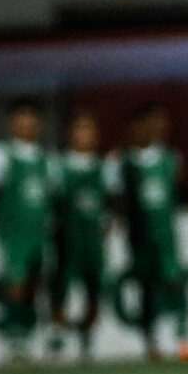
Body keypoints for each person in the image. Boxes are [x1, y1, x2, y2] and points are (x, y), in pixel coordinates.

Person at [109, 103, 188, 363]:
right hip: (138, 236)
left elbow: (182, 195)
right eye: (148, 124)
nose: (153, 130)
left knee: (174, 283)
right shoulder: (120, 162)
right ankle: (151, 343)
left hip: (166, 235)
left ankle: (183, 339)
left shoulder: (171, 158)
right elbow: (116, 199)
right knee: (145, 287)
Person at [0, 97, 52, 361]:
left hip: (38, 231)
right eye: (21, 118)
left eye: (31, 118)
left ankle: (27, 333)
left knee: (35, 283)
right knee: (14, 282)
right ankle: (13, 338)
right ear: (11, 122)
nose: (27, 124)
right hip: (12, 231)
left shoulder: (45, 157)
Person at [49, 111, 109, 360]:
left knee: (93, 287)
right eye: (79, 129)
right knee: (62, 284)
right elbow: (50, 201)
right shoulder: (57, 165)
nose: (84, 135)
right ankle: (58, 335)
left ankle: (87, 337)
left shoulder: (105, 167)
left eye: (89, 129)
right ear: (69, 133)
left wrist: (108, 221)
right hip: (66, 237)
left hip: (93, 239)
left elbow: (112, 201)